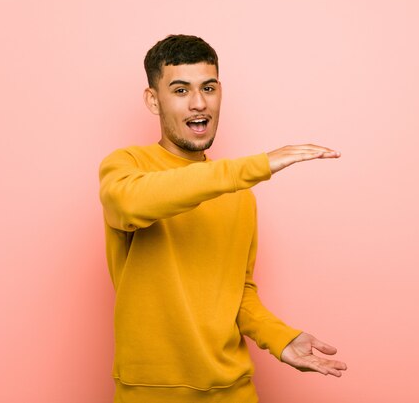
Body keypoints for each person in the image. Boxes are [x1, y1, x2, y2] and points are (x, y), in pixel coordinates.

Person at [99, 34, 347, 403]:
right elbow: (131, 203)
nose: (199, 104)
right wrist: (254, 167)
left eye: (208, 88)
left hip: (234, 391)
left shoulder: (239, 192)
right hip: (150, 393)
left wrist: (279, 337)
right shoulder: (127, 167)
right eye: (180, 90)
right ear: (154, 100)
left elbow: (237, 292)